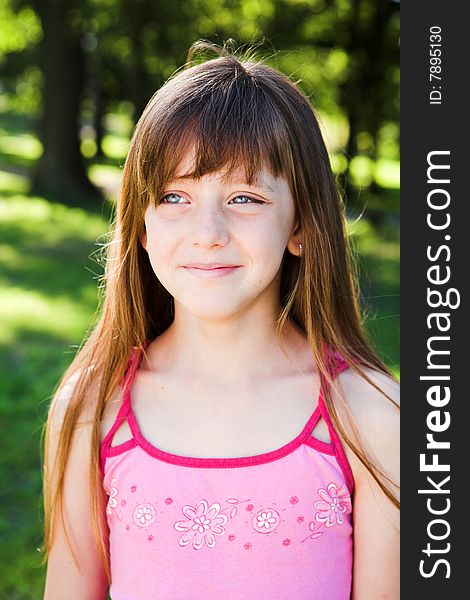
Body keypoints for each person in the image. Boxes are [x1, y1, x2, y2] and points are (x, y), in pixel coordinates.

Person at [41, 41, 399, 600]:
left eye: (245, 198)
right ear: (140, 224)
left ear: (302, 224)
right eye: (174, 196)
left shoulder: (371, 418)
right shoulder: (92, 409)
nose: (207, 231)